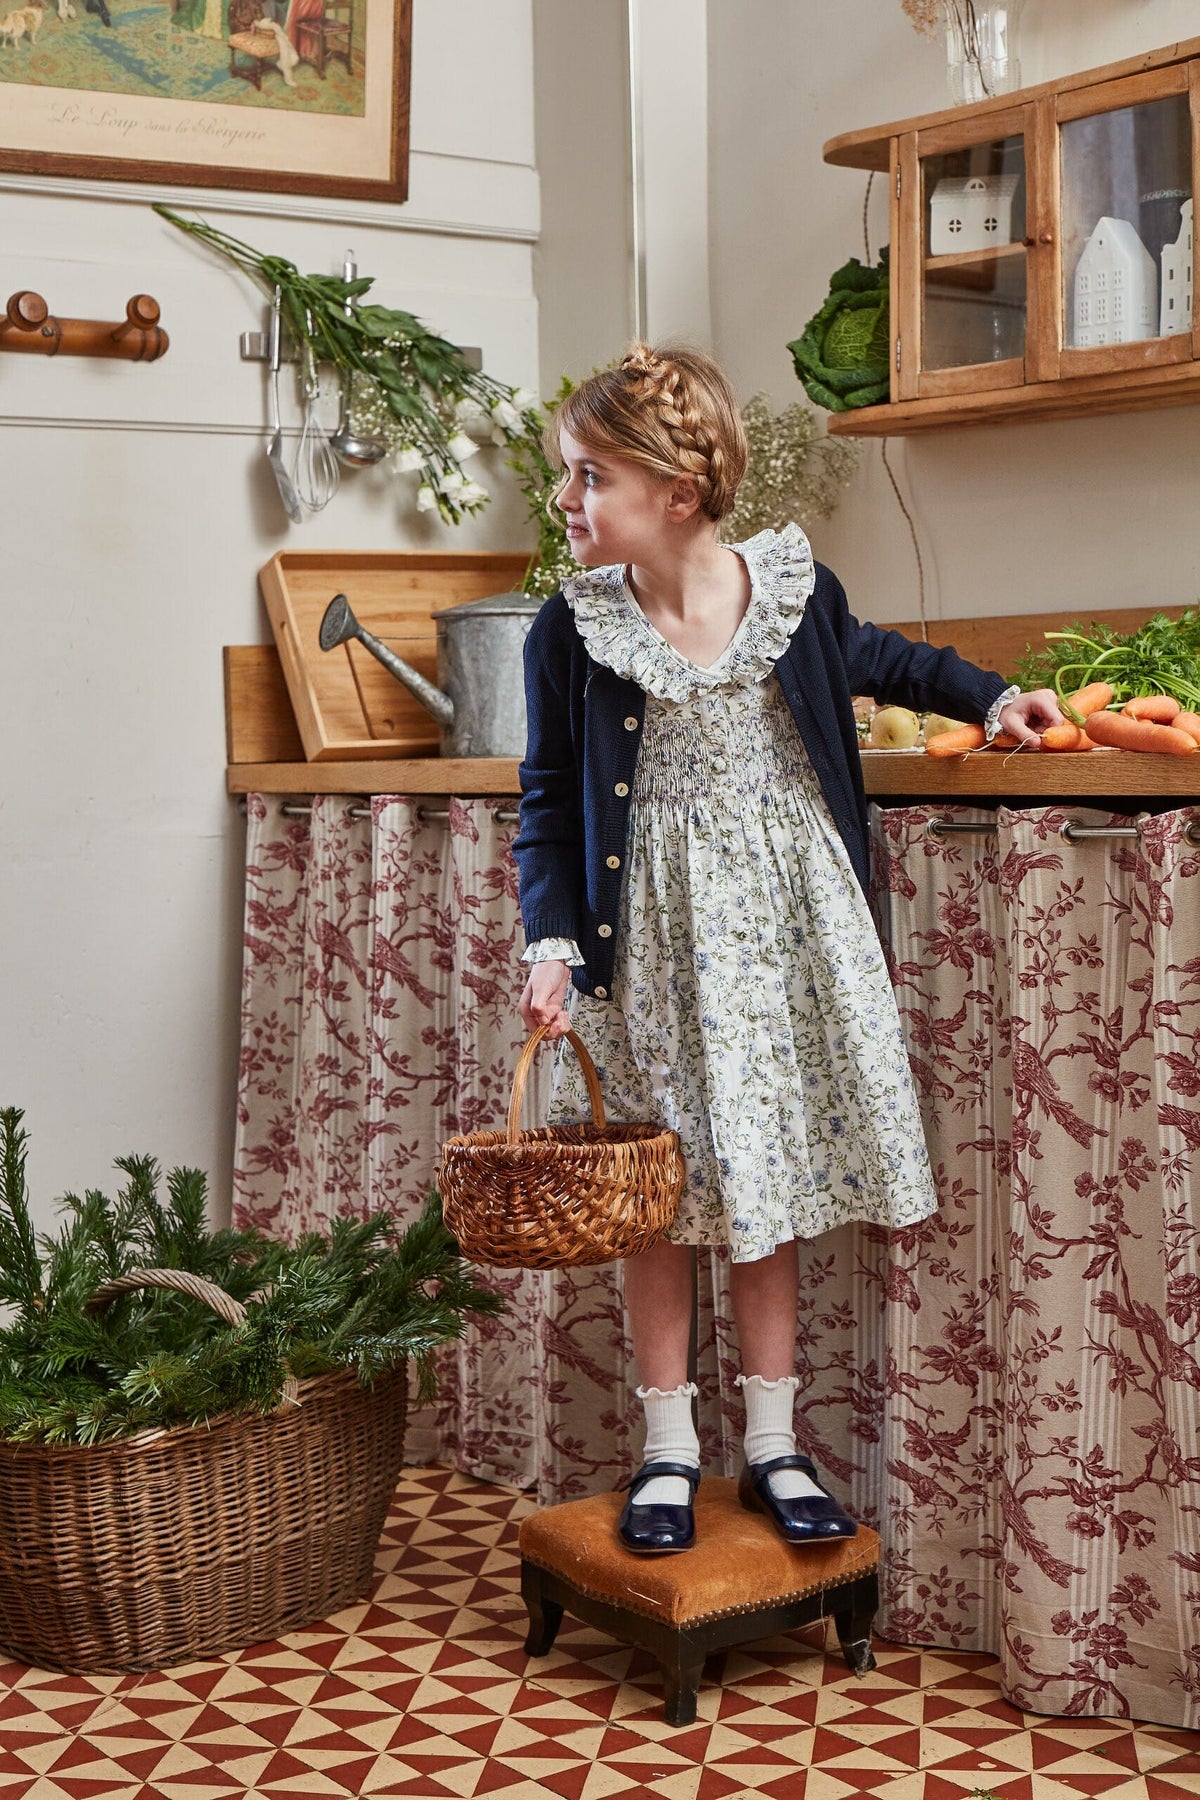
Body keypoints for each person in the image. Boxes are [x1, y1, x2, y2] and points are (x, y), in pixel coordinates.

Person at [512, 343, 1060, 1557]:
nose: (566, 500)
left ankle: (774, 1445)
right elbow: (548, 796)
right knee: (655, 1194)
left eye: (588, 475)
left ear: (677, 493)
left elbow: (889, 661)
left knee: (764, 1192)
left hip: (783, 941)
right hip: (646, 944)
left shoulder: (794, 595)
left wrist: (995, 694)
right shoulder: (574, 624)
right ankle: (667, 1451)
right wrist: (551, 939)